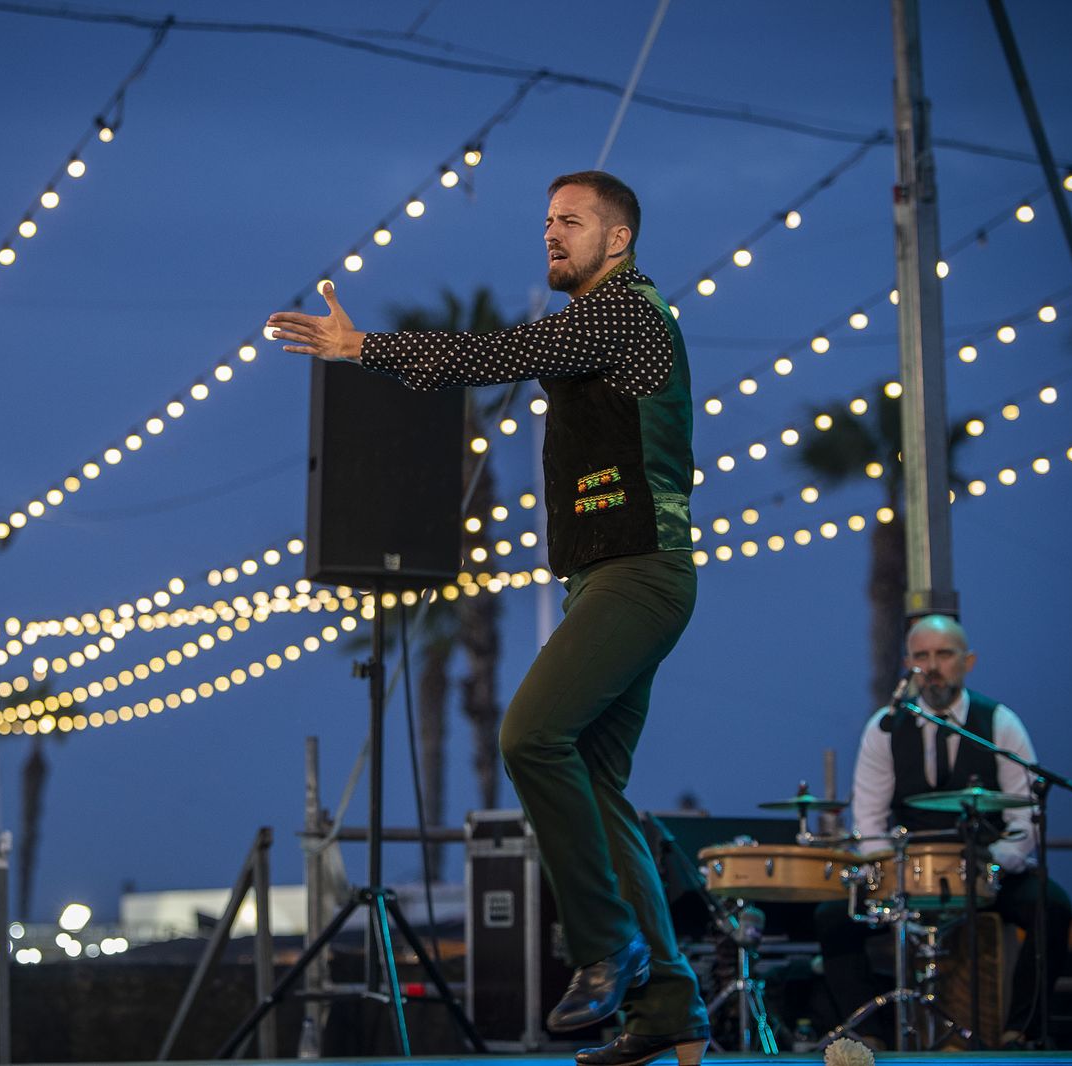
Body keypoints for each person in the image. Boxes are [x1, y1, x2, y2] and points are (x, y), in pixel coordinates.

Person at [268, 171, 708, 1066]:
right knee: (598, 783)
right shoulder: (595, 325)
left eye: (572, 222)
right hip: (603, 578)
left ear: (616, 240)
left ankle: (606, 946)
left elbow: (496, 355)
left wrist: (365, 351)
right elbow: (513, 356)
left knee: (528, 736)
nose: (552, 234)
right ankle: (669, 1003)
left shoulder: (624, 313)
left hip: (641, 571)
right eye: (546, 220)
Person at [815, 614, 1072, 1048]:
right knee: (831, 919)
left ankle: (1020, 1032)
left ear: (968, 661)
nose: (932, 666)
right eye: (921, 656)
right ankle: (869, 1038)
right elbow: (870, 820)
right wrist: (889, 872)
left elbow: (1025, 815)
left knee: (1053, 906)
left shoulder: (1000, 723)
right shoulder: (884, 727)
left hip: (986, 871)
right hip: (908, 874)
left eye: (944, 654)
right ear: (907, 663)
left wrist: (996, 867)